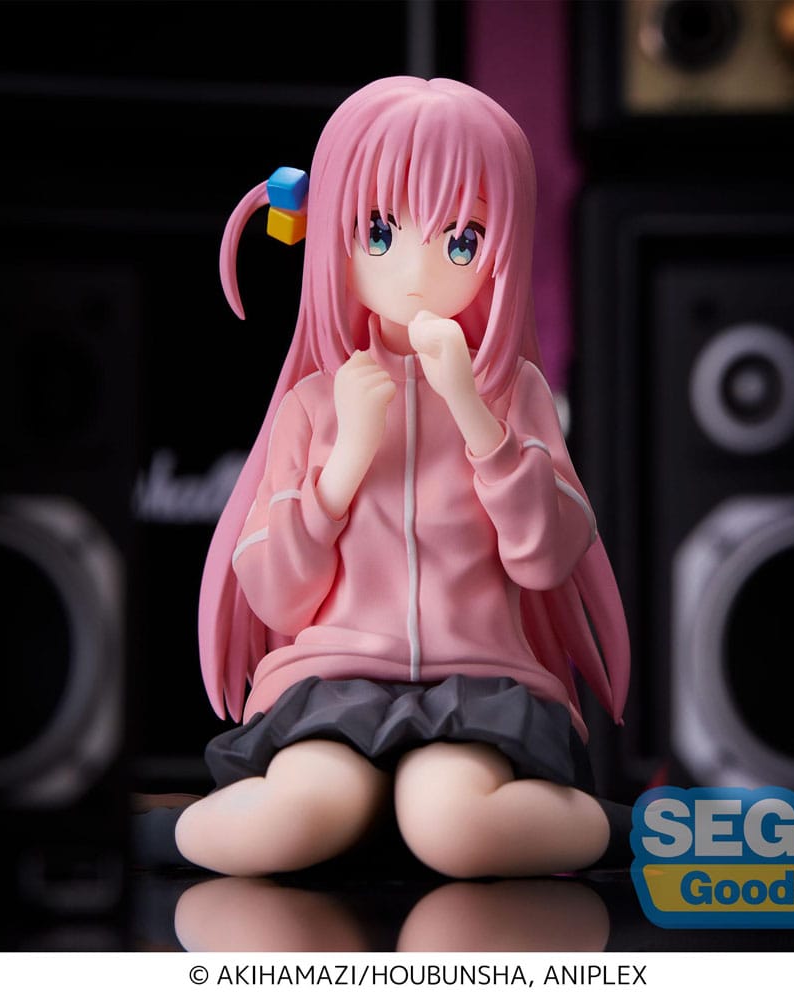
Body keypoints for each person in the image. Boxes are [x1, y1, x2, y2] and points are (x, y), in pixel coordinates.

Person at [158, 77, 630, 878]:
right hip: (332, 678)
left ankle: (636, 833)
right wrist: (343, 463)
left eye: (461, 241)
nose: (415, 269)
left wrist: (474, 414)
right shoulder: (314, 402)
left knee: (455, 824)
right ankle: (144, 839)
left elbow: (547, 555)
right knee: (297, 815)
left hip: (479, 680)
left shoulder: (512, 393)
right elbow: (277, 594)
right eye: (379, 231)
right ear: (332, 235)